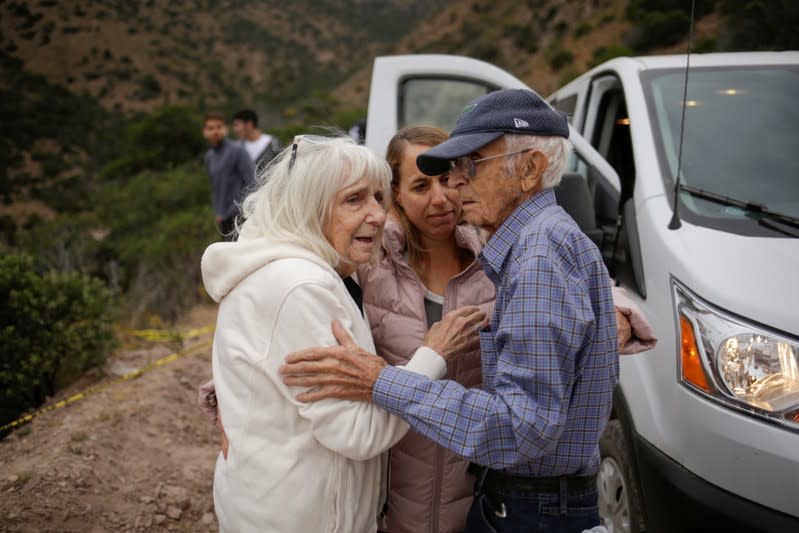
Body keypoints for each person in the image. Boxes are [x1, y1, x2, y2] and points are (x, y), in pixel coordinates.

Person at [198, 125, 656, 532]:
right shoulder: (368, 265)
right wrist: (237, 388)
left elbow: (565, 279)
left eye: (449, 178)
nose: (440, 198)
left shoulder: (502, 259)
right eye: (419, 185)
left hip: (476, 498)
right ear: (397, 195)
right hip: (392, 498)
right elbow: (284, 321)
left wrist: (611, 312)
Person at [202, 134, 486, 533]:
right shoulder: (305, 286)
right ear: (310, 205)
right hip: (305, 517)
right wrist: (433, 353)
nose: (376, 213)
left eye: (375, 197)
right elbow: (359, 431)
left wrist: (608, 302)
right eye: (354, 199)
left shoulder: (324, 271)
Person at [203, 112, 255, 241]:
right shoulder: (209, 156)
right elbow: (215, 187)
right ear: (205, 132)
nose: (215, 131)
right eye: (211, 128)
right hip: (222, 218)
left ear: (225, 129)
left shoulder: (237, 151)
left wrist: (236, 210)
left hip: (240, 216)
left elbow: (252, 182)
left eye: (219, 127)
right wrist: (218, 212)